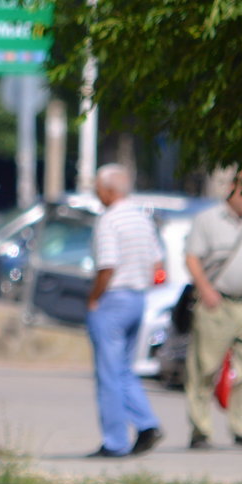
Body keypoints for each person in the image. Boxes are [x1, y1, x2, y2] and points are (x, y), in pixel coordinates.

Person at [183, 167, 242, 449]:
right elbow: (192, 258)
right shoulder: (207, 219)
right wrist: (205, 289)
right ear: (231, 189)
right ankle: (201, 430)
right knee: (204, 367)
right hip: (215, 302)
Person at [83, 164, 164, 457]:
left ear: (108, 189)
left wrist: (93, 298)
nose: (95, 191)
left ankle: (115, 441)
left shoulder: (109, 220)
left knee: (108, 373)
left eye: (97, 186)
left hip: (114, 298)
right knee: (124, 369)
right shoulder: (142, 218)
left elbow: (107, 265)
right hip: (137, 298)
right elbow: (157, 263)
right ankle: (146, 423)